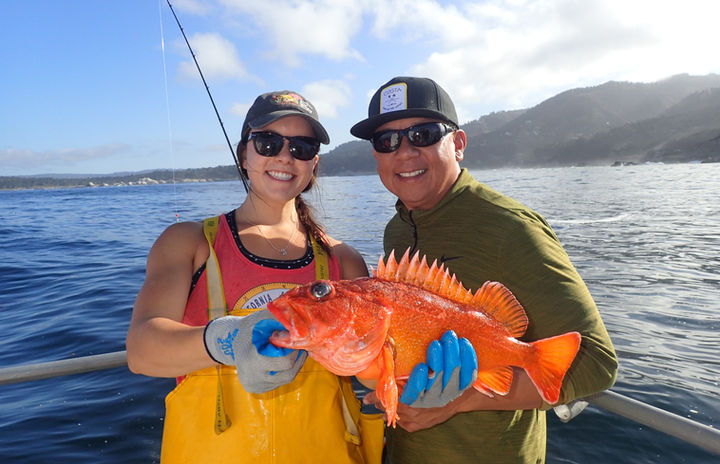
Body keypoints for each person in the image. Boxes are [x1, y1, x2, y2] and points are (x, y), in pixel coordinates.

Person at [350, 76, 618, 464]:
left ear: (457, 144)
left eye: (423, 134)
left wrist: (458, 401)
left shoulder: (510, 228)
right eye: (386, 141)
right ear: (376, 155)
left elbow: (596, 362)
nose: (404, 152)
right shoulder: (398, 228)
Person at [126, 90, 382, 463]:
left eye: (302, 147)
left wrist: (413, 381)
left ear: (314, 164)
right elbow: (142, 351)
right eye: (267, 142)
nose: (284, 156)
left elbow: (368, 370)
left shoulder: (344, 260)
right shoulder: (189, 242)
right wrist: (226, 340)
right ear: (243, 154)